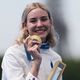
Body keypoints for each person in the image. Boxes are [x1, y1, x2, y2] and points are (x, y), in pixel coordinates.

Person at [1, 2, 62, 80]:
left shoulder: (57, 59)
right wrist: (36, 63)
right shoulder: (13, 54)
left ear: (50, 22)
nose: (39, 24)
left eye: (44, 19)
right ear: (25, 25)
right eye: (33, 21)